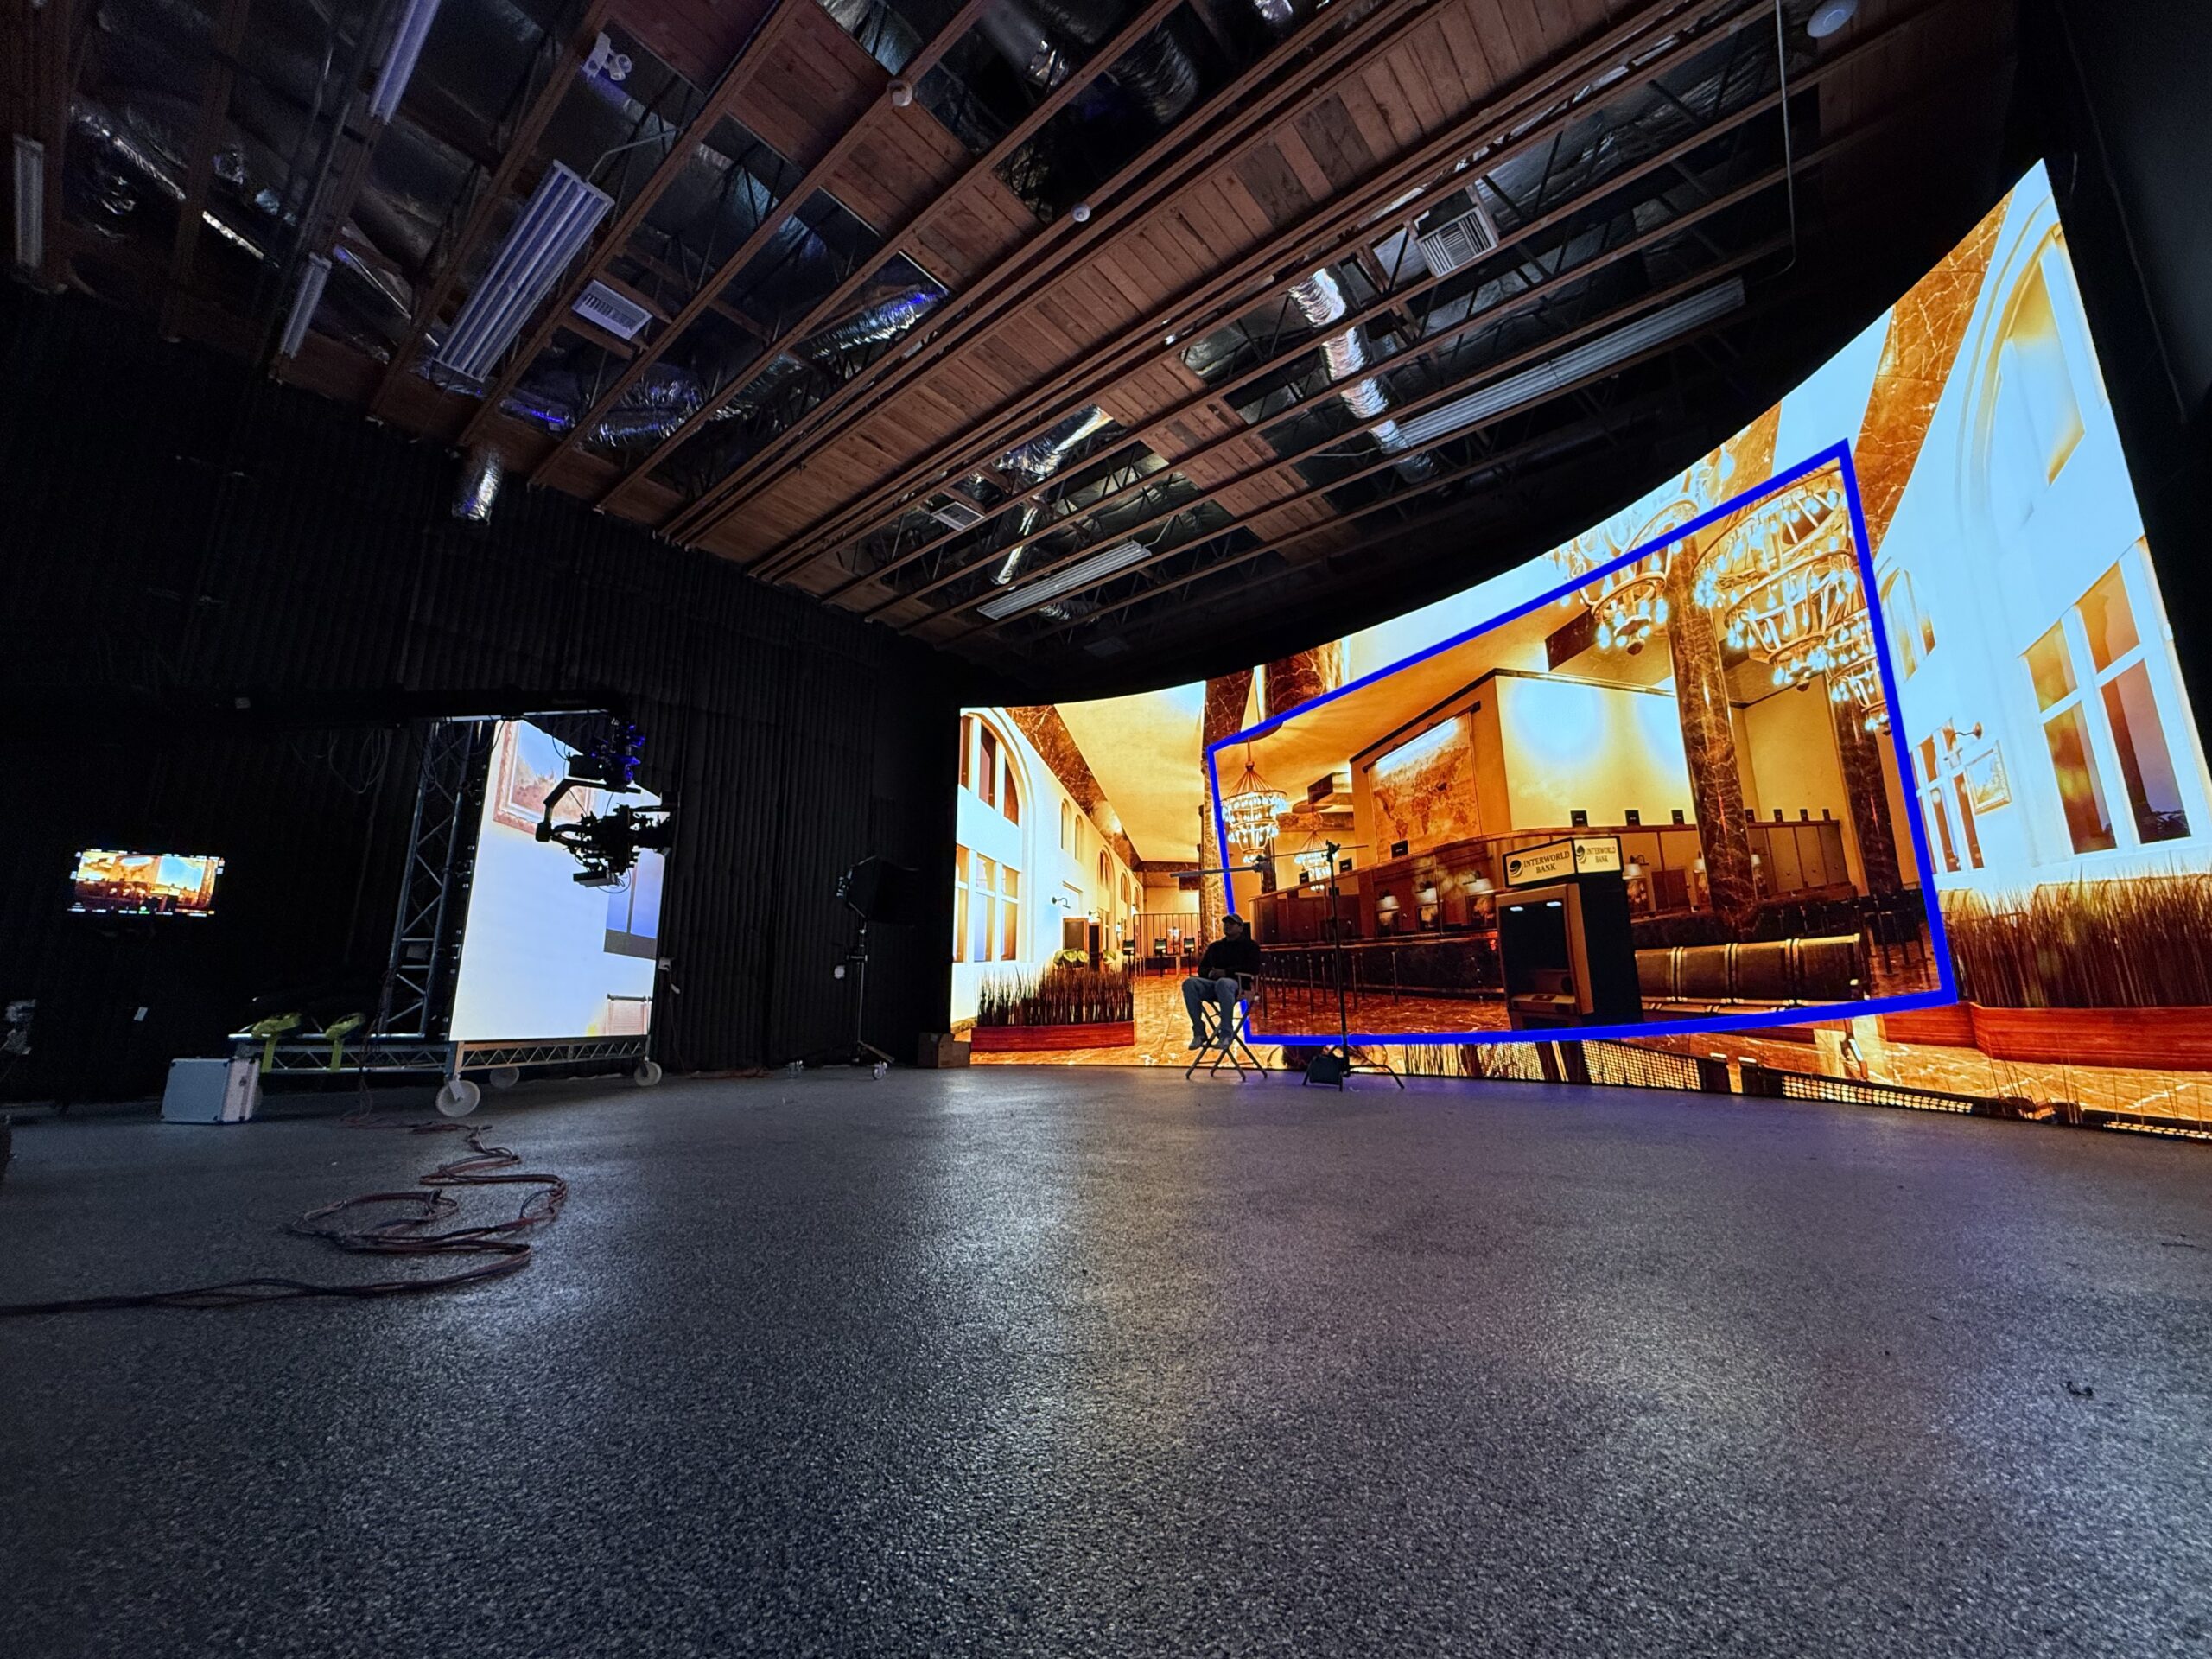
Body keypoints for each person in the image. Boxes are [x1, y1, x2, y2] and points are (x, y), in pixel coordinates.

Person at [1183, 915, 1262, 1050]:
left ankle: (1226, 1033)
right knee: (1189, 983)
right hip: (1214, 984)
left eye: (1231, 923)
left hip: (1238, 986)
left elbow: (1253, 968)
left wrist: (1226, 972)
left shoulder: (1250, 946)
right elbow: (1202, 968)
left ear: (1240, 928)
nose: (1227, 926)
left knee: (1223, 983)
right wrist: (1210, 973)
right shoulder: (1215, 947)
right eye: (1225, 923)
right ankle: (1199, 1031)